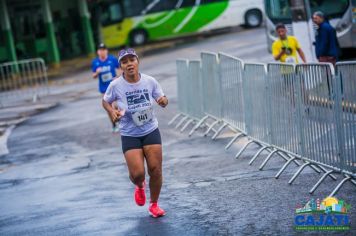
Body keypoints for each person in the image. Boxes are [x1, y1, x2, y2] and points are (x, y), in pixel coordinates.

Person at [102, 48, 169, 218]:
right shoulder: (115, 85)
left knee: (156, 169)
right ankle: (139, 185)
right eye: (125, 62)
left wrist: (163, 101)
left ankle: (154, 205)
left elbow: (162, 98)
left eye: (132, 60)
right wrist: (112, 112)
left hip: (150, 129)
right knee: (137, 174)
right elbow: (105, 101)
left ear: (137, 62)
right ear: (121, 66)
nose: (129, 64)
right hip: (129, 133)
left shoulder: (150, 81)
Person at [91, 43, 121, 132]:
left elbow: (120, 68)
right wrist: (97, 72)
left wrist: (117, 76)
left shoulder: (112, 59)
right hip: (104, 88)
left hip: (114, 85)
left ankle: (120, 121)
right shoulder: (95, 62)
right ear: (98, 52)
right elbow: (93, 76)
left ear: (106, 51)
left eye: (104, 50)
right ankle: (114, 124)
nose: (102, 51)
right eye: (100, 50)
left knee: (116, 105)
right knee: (109, 107)